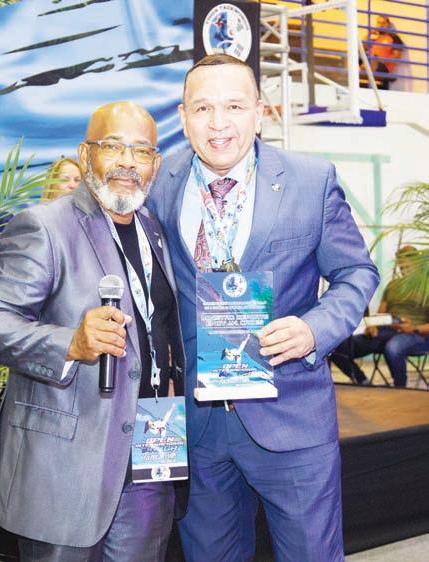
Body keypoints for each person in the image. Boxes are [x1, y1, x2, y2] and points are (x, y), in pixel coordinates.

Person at [147, 54, 380, 562]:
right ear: (183, 117)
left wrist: (313, 329)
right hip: (198, 426)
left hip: (291, 415)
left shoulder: (311, 181)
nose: (218, 123)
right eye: (203, 108)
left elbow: (357, 274)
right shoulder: (159, 186)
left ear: (259, 112)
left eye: (234, 106)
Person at [0, 101, 185, 562]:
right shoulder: (44, 226)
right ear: (86, 156)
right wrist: (70, 343)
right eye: (113, 146)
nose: (128, 162)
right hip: (65, 467)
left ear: (156, 163)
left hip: (149, 455)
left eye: (141, 151)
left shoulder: (155, 230)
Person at [331, 245, 429, 387]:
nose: (403, 267)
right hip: (388, 331)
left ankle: (400, 388)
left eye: (407, 264)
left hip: (417, 335)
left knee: (393, 347)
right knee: (336, 348)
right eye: (401, 264)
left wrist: (414, 328)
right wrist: (373, 326)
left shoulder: (426, 287)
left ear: (417, 263)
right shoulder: (392, 286)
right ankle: (362, 381)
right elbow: (381, 314)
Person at [366, 15, 404, 90]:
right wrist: (368, 36)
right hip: (370, 67)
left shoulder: (393, 37)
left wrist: (382, 60)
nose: (381, 25)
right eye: (379, 23)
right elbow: (363, 48)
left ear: (388, 25)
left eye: (383, 23)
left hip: (383, 68)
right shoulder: (374, 37)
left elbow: (397, 56)